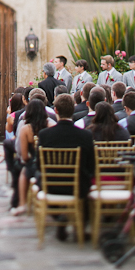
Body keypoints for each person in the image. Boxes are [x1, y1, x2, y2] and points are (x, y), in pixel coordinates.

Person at [37, 94, 96, 241]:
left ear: (55, 110)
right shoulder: (85, 135)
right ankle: (79, 225)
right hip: (78, 186)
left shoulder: (44, 135)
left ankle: (61, 217)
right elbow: (91, 165)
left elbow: (38, 164)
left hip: (51, 185)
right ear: (73, 109)